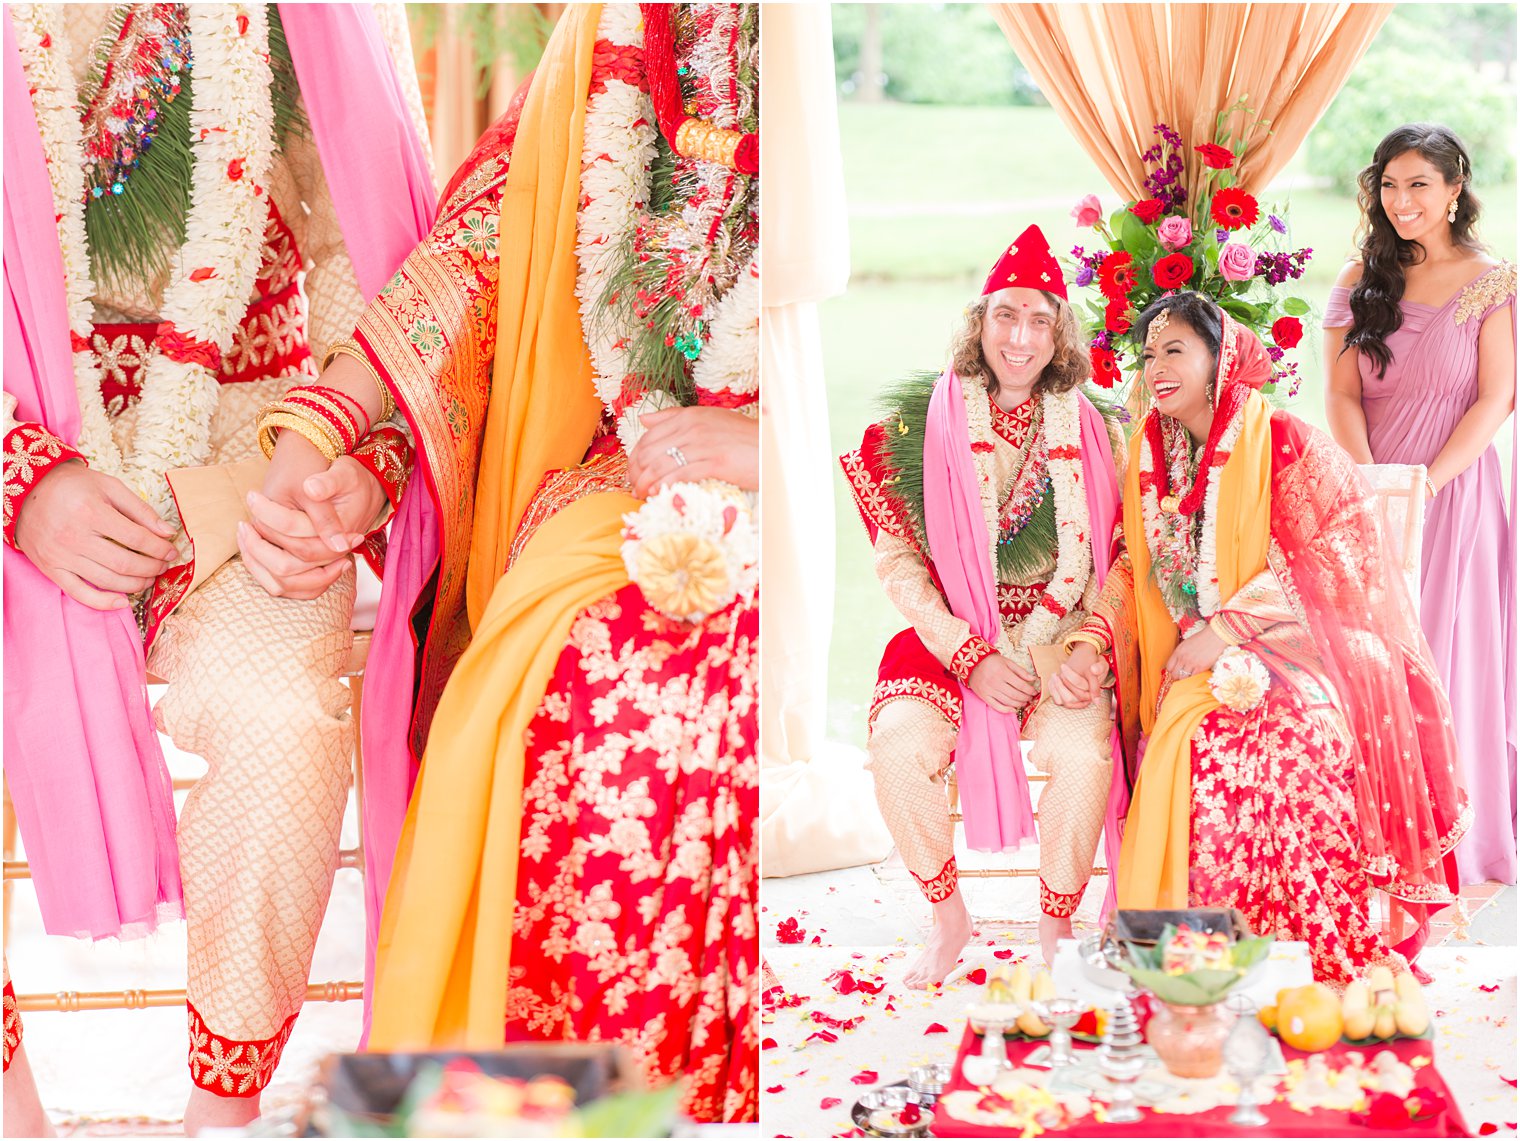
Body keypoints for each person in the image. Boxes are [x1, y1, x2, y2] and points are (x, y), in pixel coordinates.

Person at [249, 3, 759, 1121]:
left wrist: (777, 437)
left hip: (799, 482)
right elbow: (473, 256)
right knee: (589, 687)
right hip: (626, 461)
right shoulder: (623, 34)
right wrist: (323, 431)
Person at [1, 6, 433, 1133]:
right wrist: (21, 476)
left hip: (242, 465)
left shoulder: (308, 19)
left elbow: (374, 265)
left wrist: (360, 459)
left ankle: (219, 1114)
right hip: (18, 451)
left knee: (284, 719)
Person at [1052, 292, 1470, 985]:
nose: (1156, 366)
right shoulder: (1149, 456)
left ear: (1221, 358)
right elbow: (1133, 562)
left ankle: (1313, 949)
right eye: (1149, 353)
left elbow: (1336, 547)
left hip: (1299, 640)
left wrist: (1227, 628)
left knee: (1296, 731)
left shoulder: (1278, 438)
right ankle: (1208, 956)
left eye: (1176, 349)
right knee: (1203, 739)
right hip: (1188, 656)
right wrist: (1094, 640)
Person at [839, 225, 1126, 981]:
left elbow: (1115, 557)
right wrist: (969, 651)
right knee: (898, 747)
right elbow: (898, 561)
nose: (1020, 337)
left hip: (1057, 634)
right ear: (979, 320)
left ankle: (1056, 922)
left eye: (1038, 319)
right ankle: (948, 917)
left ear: (1060, 333)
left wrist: (1086, 647)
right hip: (952, 637)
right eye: (1005, 315)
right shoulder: (917, 423)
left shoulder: (1097, 430)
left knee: (1082, 752)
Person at [1323, 123, 1516, 886]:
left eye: (1420, 186)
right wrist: (1372, 484)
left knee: (1445, 655)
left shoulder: (1493, 278)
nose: (1403, 202)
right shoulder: (1357, 276)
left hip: (1455, 491)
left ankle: (1456, 833)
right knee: (1374, 661)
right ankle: (1383, 830)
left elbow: (1498, 398)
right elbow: (1339, 393)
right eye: (1391, 185)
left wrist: (1426, 485)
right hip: (1370, 494)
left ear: (1454, 188)